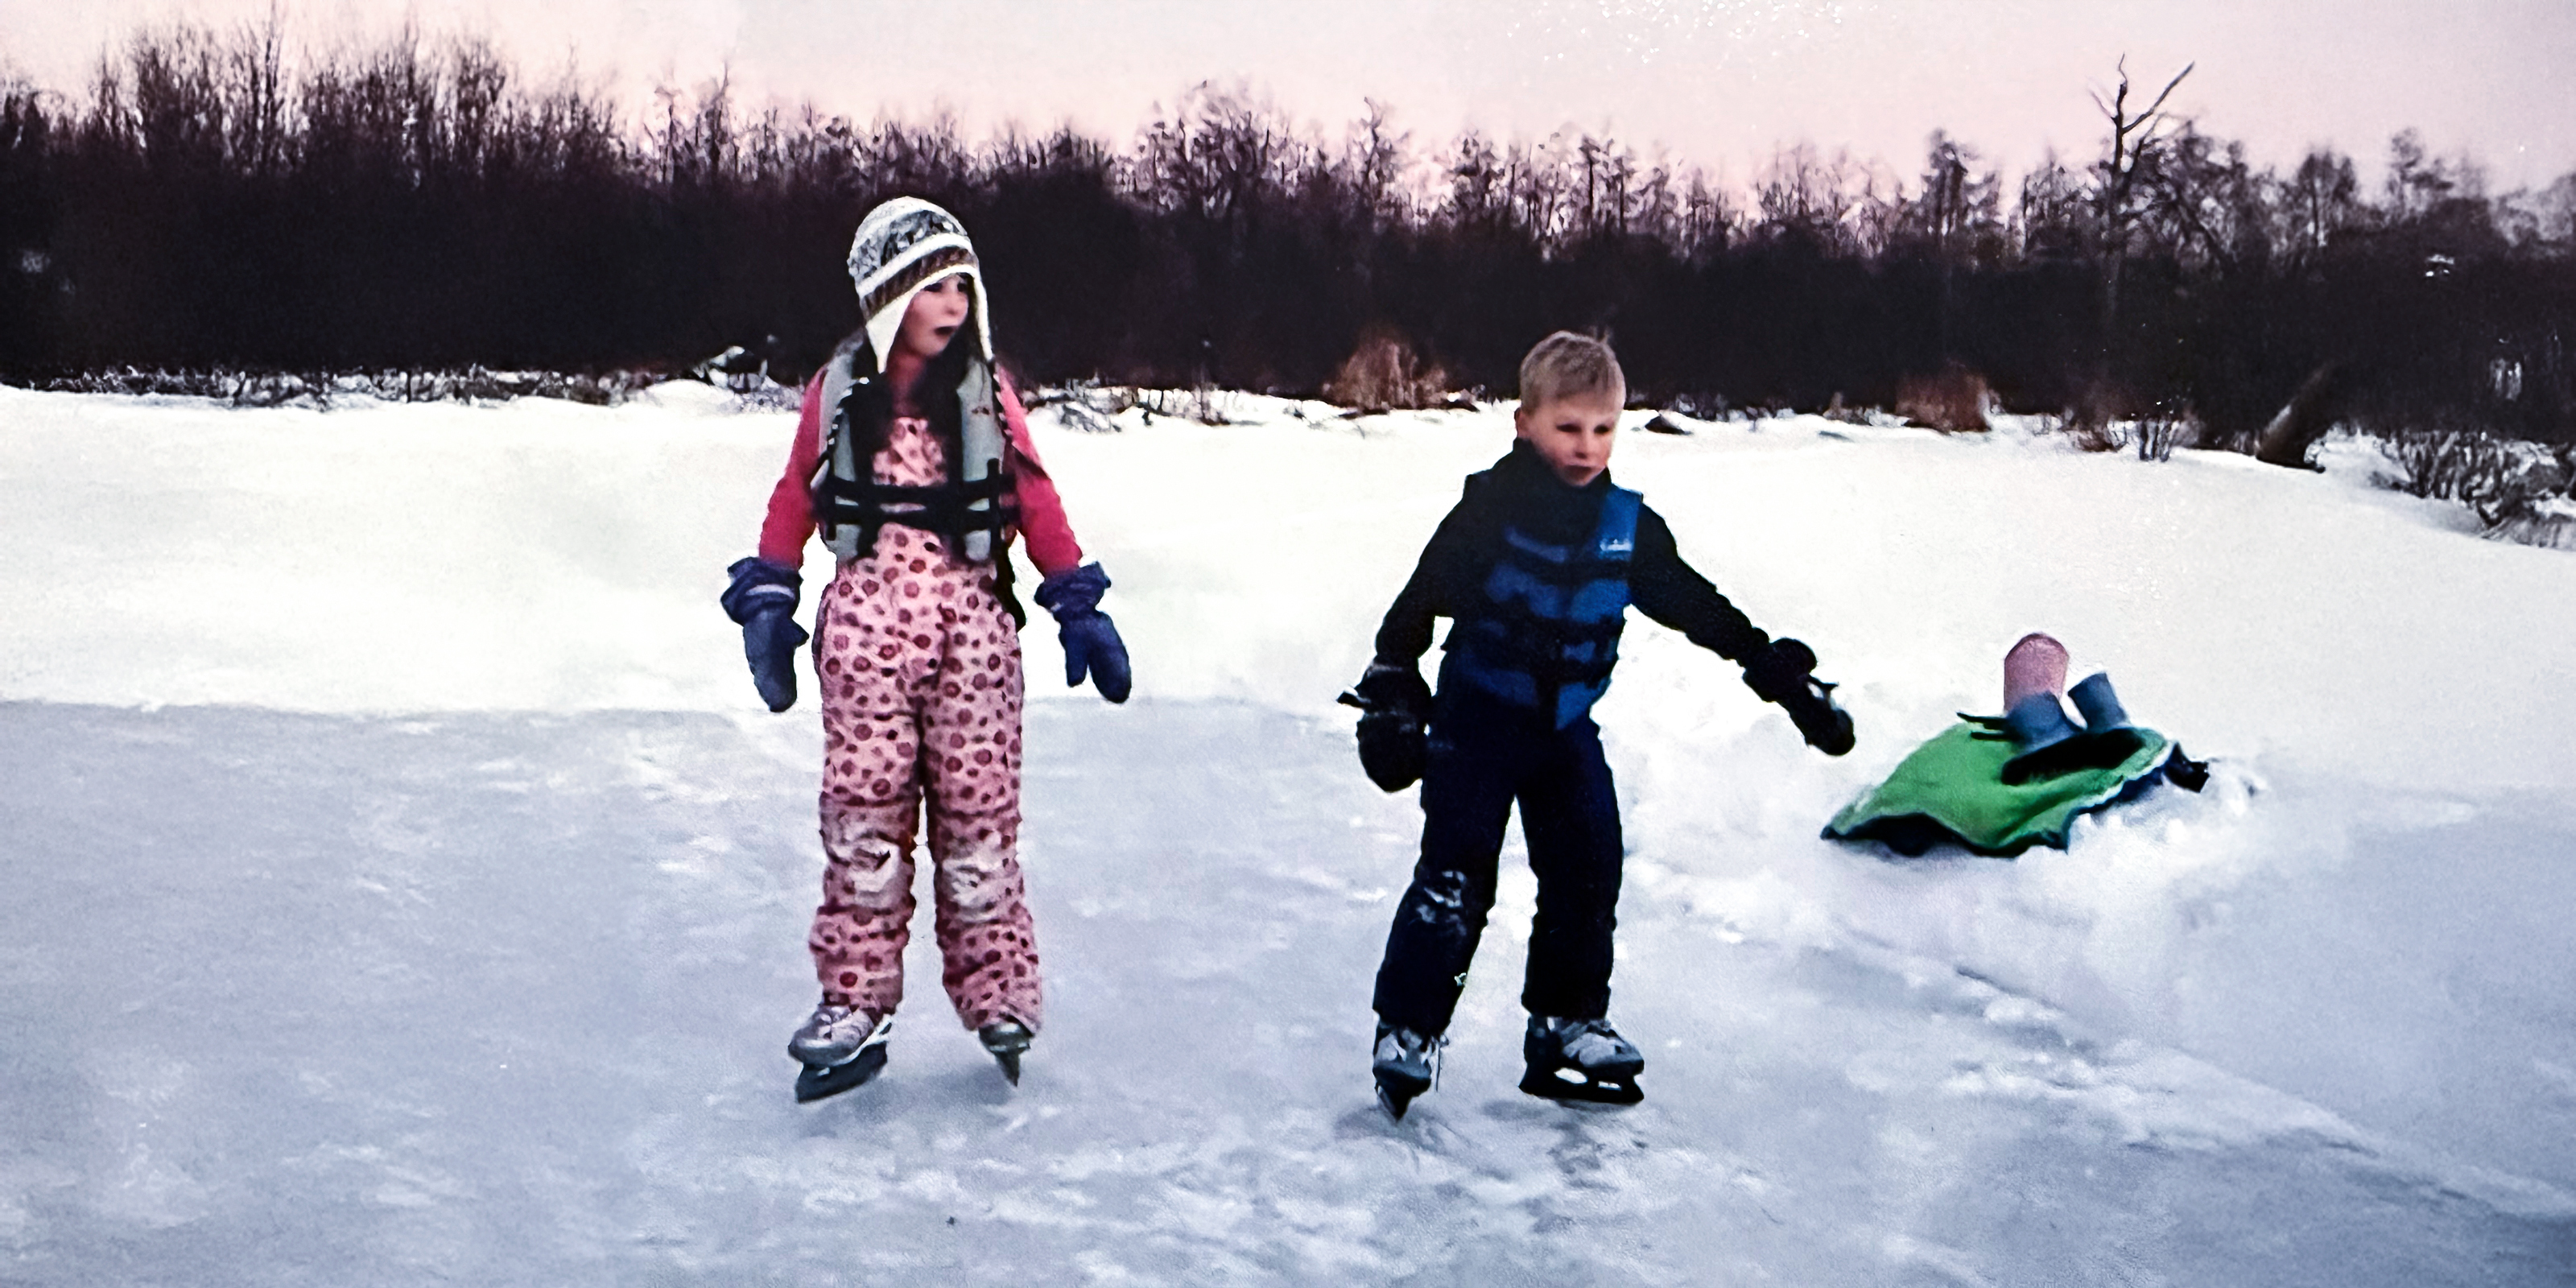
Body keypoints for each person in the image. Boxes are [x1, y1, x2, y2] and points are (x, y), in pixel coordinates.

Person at [1344, 331, 1854, 1118]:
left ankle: (1564, 1021)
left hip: (1562, 730)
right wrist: (1391, 692)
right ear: (1524, 423)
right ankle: (1410, 1027)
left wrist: (1775, 673)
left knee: (1587, 869)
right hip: (1478, 719)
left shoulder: (1625, 527)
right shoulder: (1489, 513)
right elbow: (1412, 609)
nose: (1586, 447)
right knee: (1454, 880)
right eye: (1567, 427)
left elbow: (1694, 604)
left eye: (1602, 428)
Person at [719, 197, 1131, 1103]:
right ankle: (854, 1001)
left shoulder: (986, 391)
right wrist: (769, 592)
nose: (952, 302)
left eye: (961, 285)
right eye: (931, 285)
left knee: (978, 823)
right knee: (862, 822)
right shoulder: (837, 393)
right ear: (886, 295)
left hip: (971, 635)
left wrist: (1076, 605)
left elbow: (1035, 499)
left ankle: (998, 994)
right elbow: (796, 494)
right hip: (865, 631)